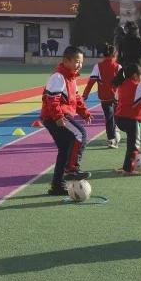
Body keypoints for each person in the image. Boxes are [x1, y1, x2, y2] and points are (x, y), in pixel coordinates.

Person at [41, 46, 92, 196]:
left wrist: (84, 112)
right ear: (66, 61)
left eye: (81, 62)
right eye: (76, 61)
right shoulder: (58, 77)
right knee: (80, 134)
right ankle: (72, 169)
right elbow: (52, 100)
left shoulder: (72, 78)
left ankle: (57, 186)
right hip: (54, 117)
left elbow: (76, 98)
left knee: (64, 149)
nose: (79, 65)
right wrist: (58, 117)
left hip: (61, 116)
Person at [83, 43, 122, 149]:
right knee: (116, 117)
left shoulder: (98, 66)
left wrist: (85, 95)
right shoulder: (118, 67)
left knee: (109, 118)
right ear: (115, 54)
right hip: (117, 98)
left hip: (104, 98)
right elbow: (123, 84)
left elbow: (91, 82)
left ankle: (111, 139)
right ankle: (115, 132)